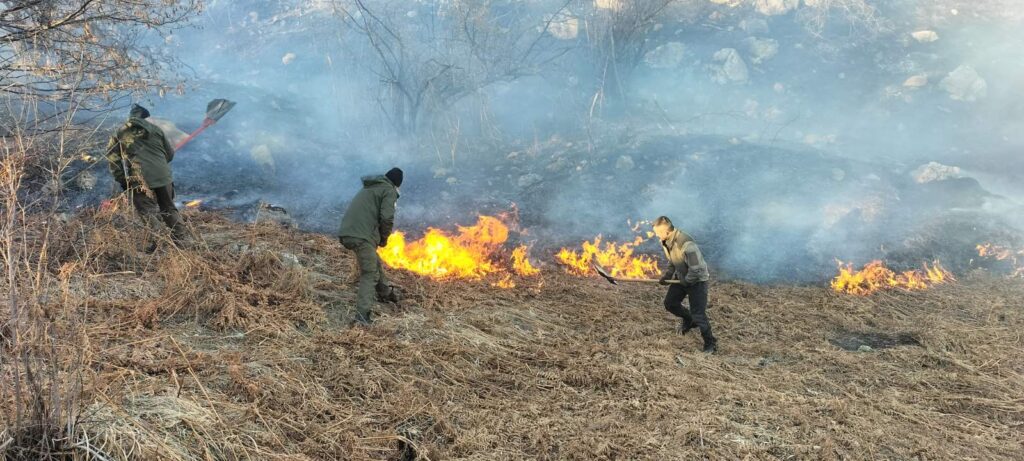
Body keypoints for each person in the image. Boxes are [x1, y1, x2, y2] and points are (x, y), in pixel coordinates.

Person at [105, 104, 186, 243]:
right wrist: (159, 166)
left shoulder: (119, 133)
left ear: (130, 117)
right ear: (144, 117)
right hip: (163, 176)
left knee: (147, 211)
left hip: (139, 179)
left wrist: (122, 179)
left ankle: (159, 241)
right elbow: (170, 154)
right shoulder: (156, 130)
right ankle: (182, 239)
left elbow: (113, 159)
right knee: (169, 208)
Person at [338, 168, 403, 325]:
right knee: (370, 273)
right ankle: (362, 317)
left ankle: (385, 293)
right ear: (397, 184)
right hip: (362, 235)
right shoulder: (389, 190)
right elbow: (387, 217)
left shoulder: (371, 187)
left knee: (373, 262)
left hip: (348, 232)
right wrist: (384, 238)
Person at [654, 216, 716, 353]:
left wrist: (687, 281)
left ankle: (710, 343)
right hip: (682, 277)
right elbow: (673, 260)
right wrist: (668, 275)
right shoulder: (666, 241)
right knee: (670, 303)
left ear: (667, 231)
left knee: (698, 314)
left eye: (658, 232)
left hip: (697, 280)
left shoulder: (686, 244)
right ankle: (689, 320)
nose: (656, 235)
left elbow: (697, 268)